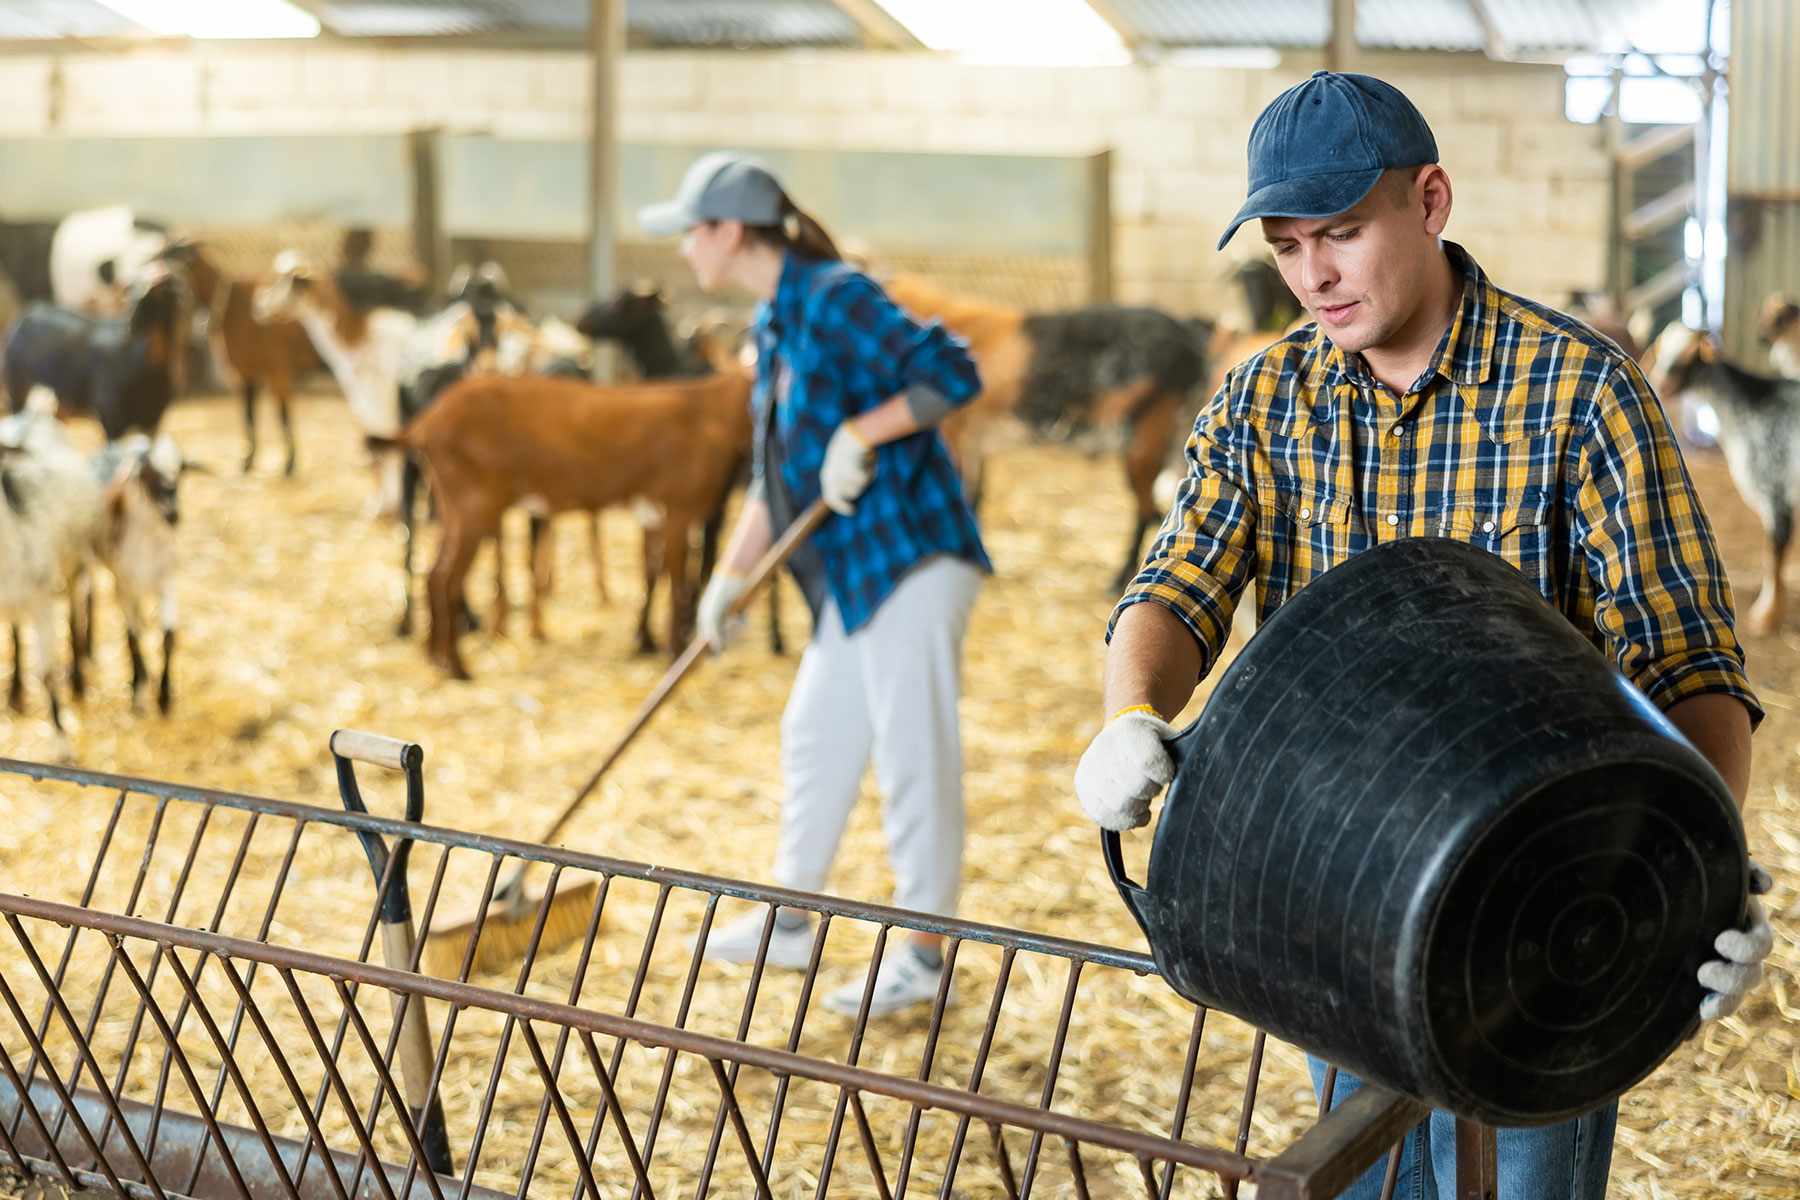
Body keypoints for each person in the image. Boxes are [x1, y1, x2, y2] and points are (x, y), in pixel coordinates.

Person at [1073, 71, 1774, 1200]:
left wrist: (1688, 874)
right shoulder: (1264, 402)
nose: (1313, 275)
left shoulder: (1582, 397)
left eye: (1342, 232)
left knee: (1522, 1179)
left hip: (1540, 908)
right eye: (1286, 245)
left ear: (1431, 201)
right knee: (1358, 1176)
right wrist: (1131, 716)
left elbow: (1687, 666)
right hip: (1337, 888)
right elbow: (1178, 582)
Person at [639, 152, 990, 1017]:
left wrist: (862, 433)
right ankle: (791, 923)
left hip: (911, 555)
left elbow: (953, 372)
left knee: (913, 754)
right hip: (852, 573)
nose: (685, 250)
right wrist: (729, 578)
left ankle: (924, 956)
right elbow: (775, 480)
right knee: (815, 731)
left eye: (692, 232)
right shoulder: (774, 323)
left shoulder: (836, 297)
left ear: (729, 230)